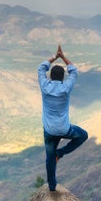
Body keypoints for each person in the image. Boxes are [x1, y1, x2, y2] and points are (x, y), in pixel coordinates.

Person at [37, 44, 88, 191]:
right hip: (65, 129)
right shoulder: (66, 88)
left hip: (49, 131)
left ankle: (52, 187)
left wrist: (55, 56)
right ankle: (61, 153)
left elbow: (41, 68)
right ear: (62, 77)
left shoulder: (45, 86)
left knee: (49, 158)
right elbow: (74, 71)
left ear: (51, 76)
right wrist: (63, 57)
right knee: (83, 135)